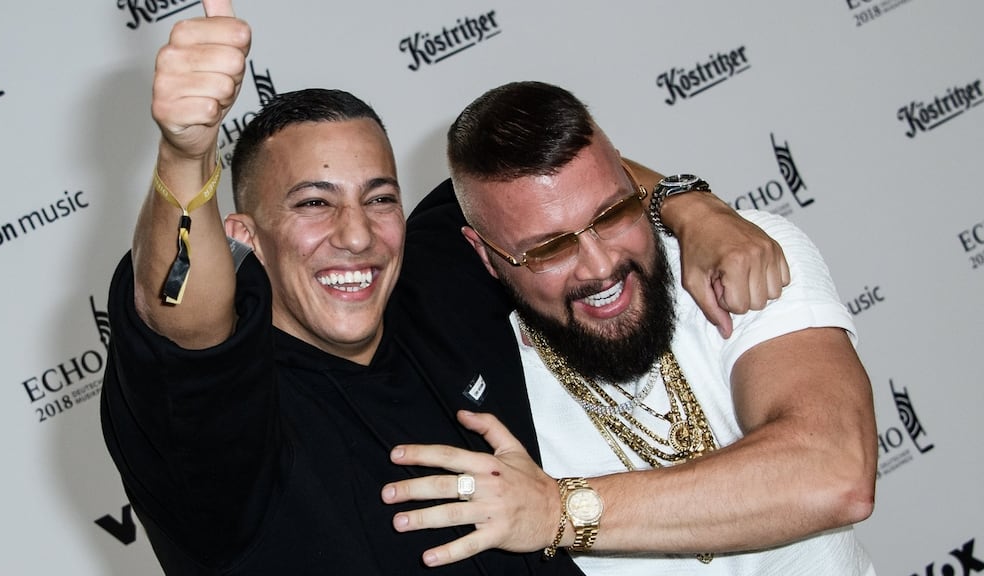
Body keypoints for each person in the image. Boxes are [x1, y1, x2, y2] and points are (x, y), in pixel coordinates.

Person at [100, 1, 790, 574]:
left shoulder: (437, 276)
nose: (357, 235)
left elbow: (558, 189)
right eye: (313, 204)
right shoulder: (223, 418)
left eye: (379, 199)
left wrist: (690, 206)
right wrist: (185, 156)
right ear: (246, 233)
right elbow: (182, 320)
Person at [381, 81, 878, 575]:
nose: (599, 266)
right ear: (486, 256)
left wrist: (557, 511)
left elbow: (833, 471)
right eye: (550, 248)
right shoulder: (490, 387)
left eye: (613, 214)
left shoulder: (740, 259)